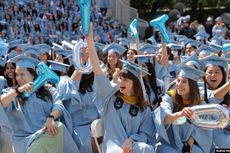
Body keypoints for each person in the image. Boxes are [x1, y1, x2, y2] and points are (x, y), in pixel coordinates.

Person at [87, 24, 156, 153]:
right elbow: (97, 71)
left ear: (135, 84)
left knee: (146, 149)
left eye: (125, 80)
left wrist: (131, 140)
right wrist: (89, 38)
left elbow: (147, 133)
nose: (120, 82)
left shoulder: (143, 107)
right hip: (113, 147)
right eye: (120, 78)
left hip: (132, 146)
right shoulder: (111, 97)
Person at [0, 54, 79, 153]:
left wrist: (51, 117)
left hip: (46, 134)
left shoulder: (48, 90)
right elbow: (1, 103)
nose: (19, 78)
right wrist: (17, 91)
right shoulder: (12, 93)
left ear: (32, 74)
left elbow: (59, 105)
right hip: (25, 142)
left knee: (59, 126)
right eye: (17, 74)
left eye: (22, 74)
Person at [154, 64, 213, 153]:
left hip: (187, 143)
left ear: (192, 86)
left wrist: (188, 145)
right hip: (168, 143)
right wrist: (181, 113)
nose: (179, 85)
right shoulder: (169, 98)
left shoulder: (200, 104)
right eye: (178, 80)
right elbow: (165, 118)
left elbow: (201, 129)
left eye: (184, 81)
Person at [200, 55, 230, 148]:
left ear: (223, 75)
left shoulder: (227, 92)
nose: (213, 75)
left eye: (217, 72)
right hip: (206, 136)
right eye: (210, 72)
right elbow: (213, 97)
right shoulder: (198, 88)